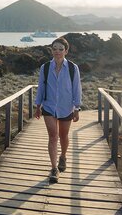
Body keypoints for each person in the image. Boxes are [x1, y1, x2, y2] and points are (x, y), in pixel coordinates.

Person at [34, 37, 82, 183]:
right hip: (49, 107)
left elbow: (77, 88)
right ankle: (54, 169)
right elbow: (41, 86)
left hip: (66, 107)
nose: (57, 51)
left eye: (61, 49)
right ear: (51, 50)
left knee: (63, 136)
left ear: (66, 51)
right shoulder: (45, 67)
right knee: (53, 137)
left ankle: (63, 156)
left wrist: (77, 108)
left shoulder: (73, 68)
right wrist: (38, 106)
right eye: (54, 49)